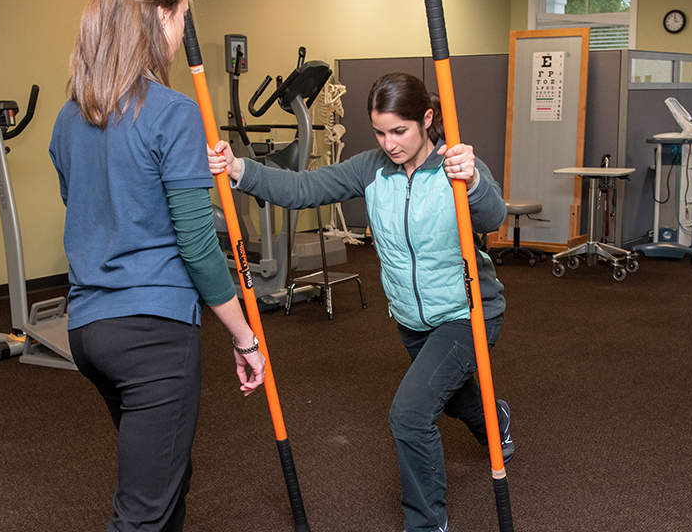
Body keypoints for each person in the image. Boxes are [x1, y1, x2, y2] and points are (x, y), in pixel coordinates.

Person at [209, 72, 513, 532]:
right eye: (380, 132)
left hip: (466, 313)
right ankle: (496, 417)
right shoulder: (372, 167)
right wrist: (239, 170)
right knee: (450, 398)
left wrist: (471, 181)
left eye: (399, 131)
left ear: (427, 119)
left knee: (410, 415)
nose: (389, 143)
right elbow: (303, 190)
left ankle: (427, 524)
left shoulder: (455, 164)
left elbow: (492, 217)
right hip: (412, 318)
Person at [48, 0, 266, 532]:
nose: (181, 31)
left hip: (89, 331)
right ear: (162, 16)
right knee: (142, 513)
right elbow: (198, 246)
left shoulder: (70, 118)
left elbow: (89, 210)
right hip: (152, 336)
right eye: (183, 17)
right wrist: (245, 337)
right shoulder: (173, 113)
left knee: (167, 480)